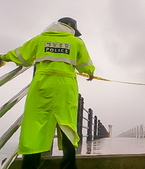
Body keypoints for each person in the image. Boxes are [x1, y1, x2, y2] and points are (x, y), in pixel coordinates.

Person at [0, 17, 95, 169]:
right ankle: (69, 164)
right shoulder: (76, 42)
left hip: (41, 84)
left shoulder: (40, 39)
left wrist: (3, 58)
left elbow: (21, 55)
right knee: (67, 123)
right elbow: (85, 65)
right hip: (65, 86)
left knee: (35, 124)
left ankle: (30, 165)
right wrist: (90, 73)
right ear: (70, 26)